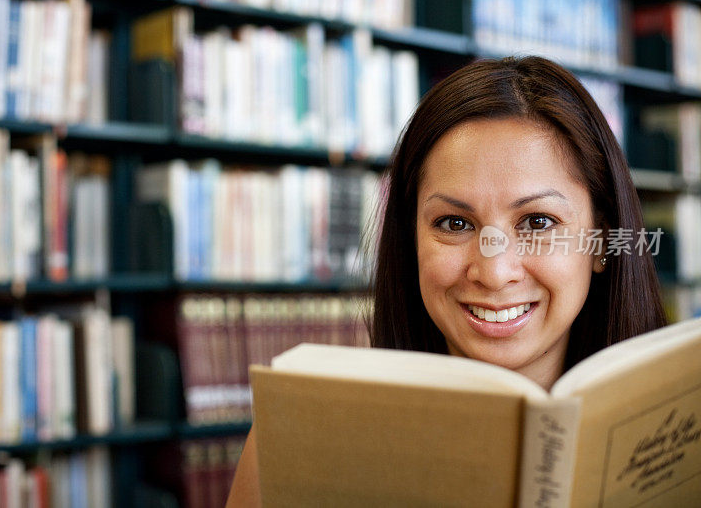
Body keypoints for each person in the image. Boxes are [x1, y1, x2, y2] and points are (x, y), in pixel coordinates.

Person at [226, 55, 666, 506]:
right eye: (455, 224)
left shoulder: (679, 430)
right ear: (410, 239)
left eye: (537, 222)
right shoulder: (294, 435)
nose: (494, 273)